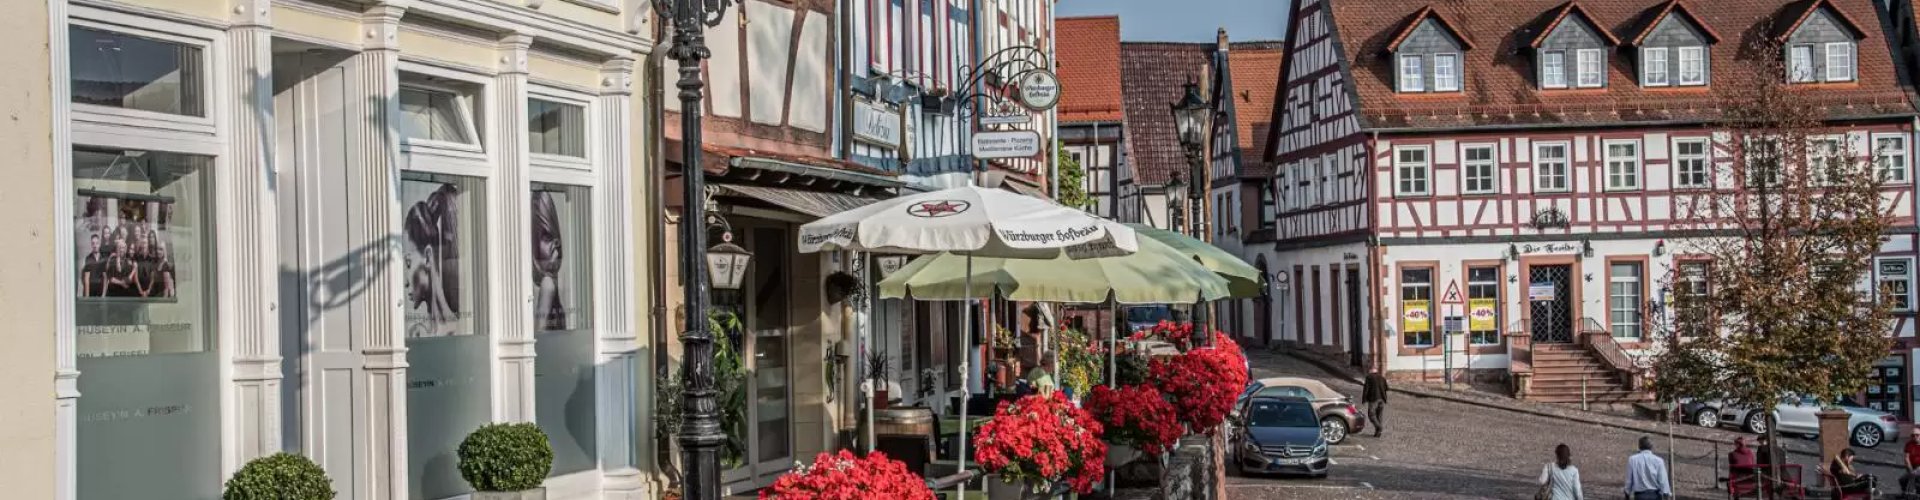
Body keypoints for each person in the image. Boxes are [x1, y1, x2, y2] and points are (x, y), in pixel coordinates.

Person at [1362, 367, 1388, 437]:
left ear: (1371, 371)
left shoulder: (1369, 377)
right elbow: (1386, 388)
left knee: (1371, 415)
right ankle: (1378, 433)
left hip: (1373, 399)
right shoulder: (1382, 378)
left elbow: (1366, 389)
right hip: (1382, 399)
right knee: (1379, 416)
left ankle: (1379, 427)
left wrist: (1364, 399)